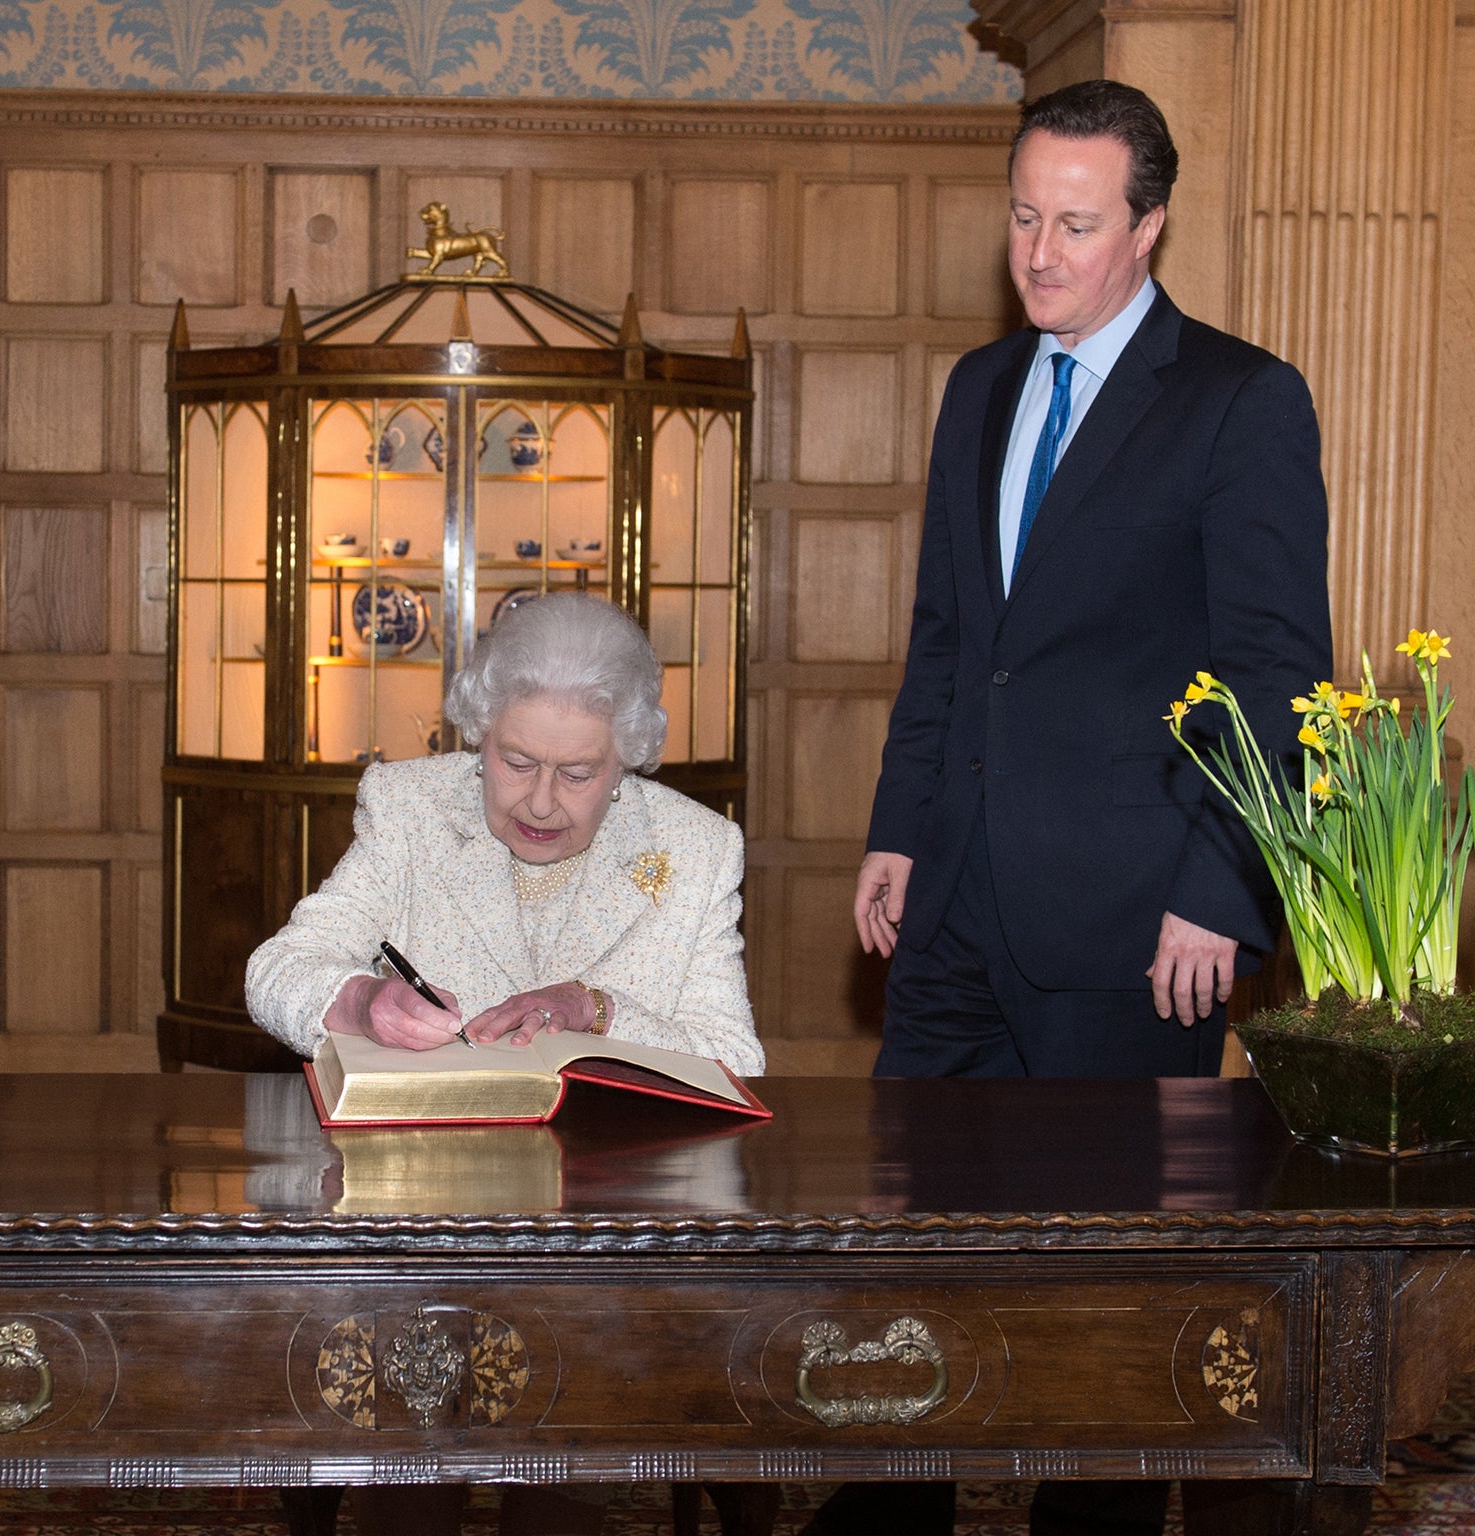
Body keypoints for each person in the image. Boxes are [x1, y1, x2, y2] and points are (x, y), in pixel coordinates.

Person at [831, 79, 1334, 1536]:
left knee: (1113, 1301)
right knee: (899, 1265)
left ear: (1150, 226)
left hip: (1134, 923)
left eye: (1076, 223)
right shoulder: (980, 388)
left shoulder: (1244, 399)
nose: (1039, 251)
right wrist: (899, 824)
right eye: (1022, 216)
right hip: (955, 910)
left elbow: (1274, 676)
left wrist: (1221, 888)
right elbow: (949, 640)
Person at [248, 591, 766, 1536]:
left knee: (561, 1482)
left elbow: (734, 1058)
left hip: (600, 1232)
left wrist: (598, 1007)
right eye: (514, 761)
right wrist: (360, 999)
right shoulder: (408, 806)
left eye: (578, 774)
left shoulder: (693, 849)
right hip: (419, 1225)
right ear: (479, 733)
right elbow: (276, 968)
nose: (538, 800)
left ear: (629, 760)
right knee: (411, 1473)